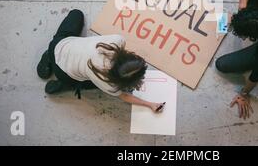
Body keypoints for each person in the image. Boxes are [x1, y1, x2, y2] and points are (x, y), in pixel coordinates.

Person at [36, 9, 164, 113]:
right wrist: (149, 104)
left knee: (76, 14)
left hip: (59, 45)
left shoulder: (117, 40)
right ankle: (65, 84)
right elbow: (124, 95)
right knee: (91, 84)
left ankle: (48, 57)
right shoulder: (106, 81)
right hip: (64, 74)